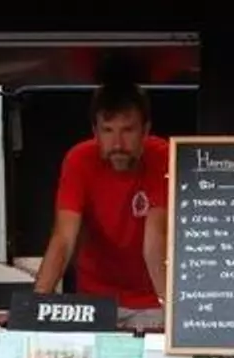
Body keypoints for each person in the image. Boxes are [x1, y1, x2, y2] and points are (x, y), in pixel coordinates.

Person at [32, 82, 169, 329]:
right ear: (95, 131)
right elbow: (64, 239)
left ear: (145, 130)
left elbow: (154, 242)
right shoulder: (79, 160)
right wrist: (33, 309)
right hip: (94, 300)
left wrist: (172, 310)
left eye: (128, 130)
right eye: (107, 130)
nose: (117, 144)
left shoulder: (163, 157)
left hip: (151, 300)